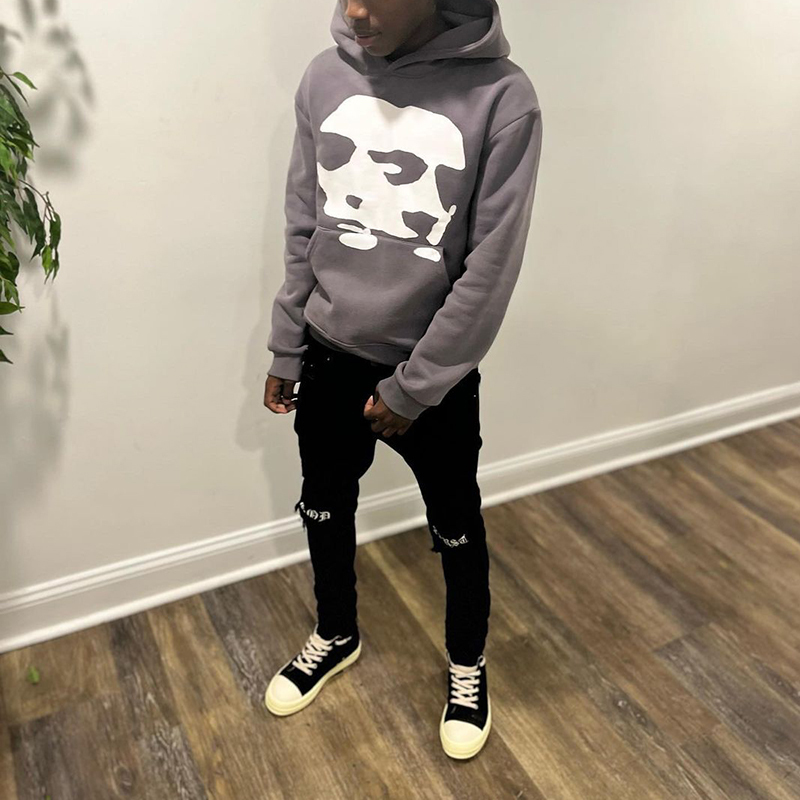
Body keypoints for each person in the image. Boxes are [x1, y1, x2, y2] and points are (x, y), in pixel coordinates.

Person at [262, 0, 542, 760]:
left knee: (456, 524)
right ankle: (335, 631)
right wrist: (287, 344)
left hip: (430, 376)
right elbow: (304, 223)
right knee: (324, 505)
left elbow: (490, 267)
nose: (356, 9)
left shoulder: (502, 98)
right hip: (327, 352)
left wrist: (415, 387)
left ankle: (467, 663)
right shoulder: (325, 78)